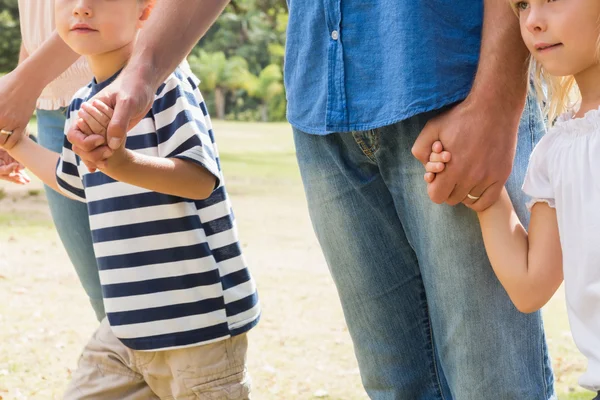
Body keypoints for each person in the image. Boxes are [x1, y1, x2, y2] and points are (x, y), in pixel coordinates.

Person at [66, 1, 555, 399]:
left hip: (450, 87)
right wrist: (141, 73)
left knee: (492, 384)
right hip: (322, 107)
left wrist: (496, 97)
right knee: (395, 386)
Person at [0, 0, 259, 397]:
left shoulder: (167, 85)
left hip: (198, 329)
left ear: (145, 12)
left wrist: (120, 163)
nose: (81, 9)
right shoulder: (81, 101)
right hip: (125, 329)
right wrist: (17, 144)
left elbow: (200, 180)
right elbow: (76, 182)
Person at [425, 0, 600, 397]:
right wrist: (482, 190)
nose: (534, 21)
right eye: (521, 5)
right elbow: (529, 285)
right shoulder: (558, 149)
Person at [0, 0, 104, 319]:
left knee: (137, 276)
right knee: (99, 288)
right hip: (50, 110)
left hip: (112, 97)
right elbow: (35, 29)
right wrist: (19, 107)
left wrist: (19, 88)